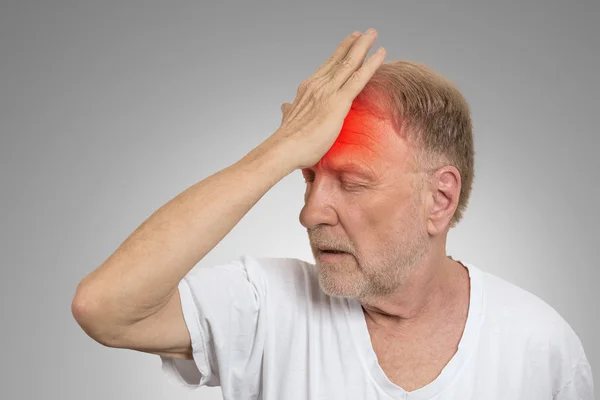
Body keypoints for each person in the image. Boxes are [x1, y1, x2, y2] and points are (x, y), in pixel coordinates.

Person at [71, 28, 595, 399]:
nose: (311, 213)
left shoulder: (539, 346)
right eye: (310, 177)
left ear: (440, 199)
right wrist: (280, 150)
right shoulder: (265, 308)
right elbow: (105, 307)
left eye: (352, 182)